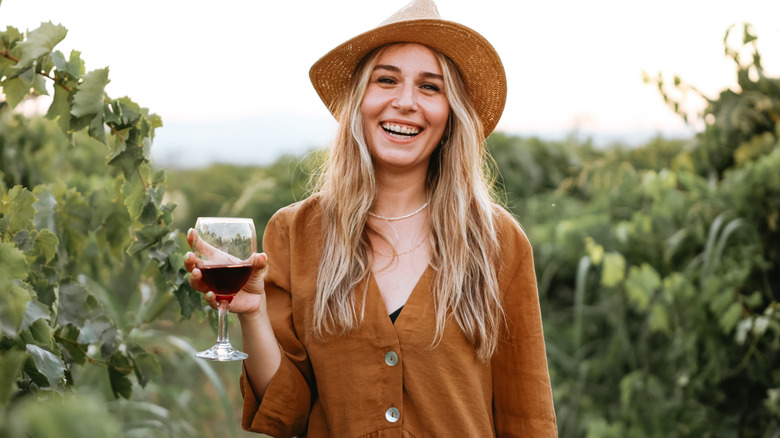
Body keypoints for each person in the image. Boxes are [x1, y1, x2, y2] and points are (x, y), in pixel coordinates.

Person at [185, 0, 558, 436]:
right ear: (359, 99)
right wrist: (251, 312)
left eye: (430, 87)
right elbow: (288, 412)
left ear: (451, 113)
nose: (405, 102)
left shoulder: (498, 241)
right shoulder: (295, 233)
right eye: (386, 80)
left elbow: (526, 416)